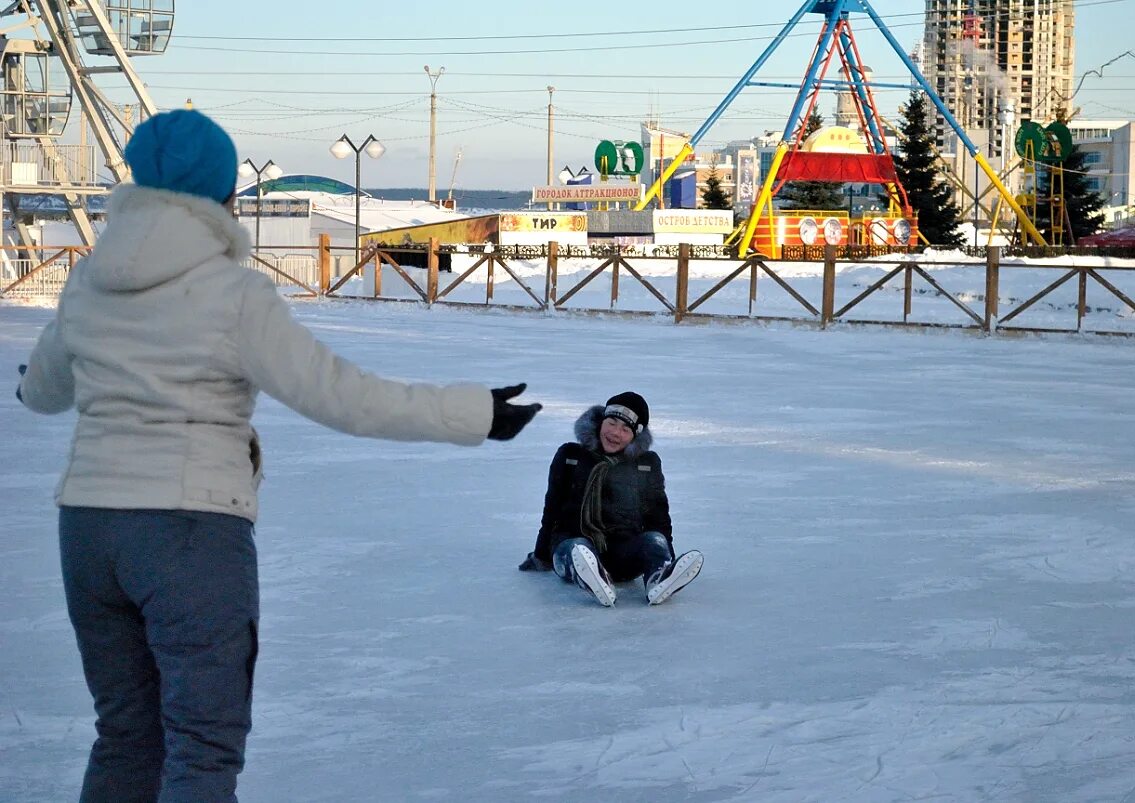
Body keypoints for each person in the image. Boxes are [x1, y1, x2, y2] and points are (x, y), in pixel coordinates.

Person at [14, 109, 541, 803]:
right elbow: (341, 395)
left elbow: (42, 392)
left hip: (87, 530)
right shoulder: (234, 294)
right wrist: (473, 412)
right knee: (201, 750)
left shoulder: (88, 281)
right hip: (189, 532)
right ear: (225, 197)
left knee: (126, 734)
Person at [519, 391, 702, 606]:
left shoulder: (646, 464)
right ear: (599, 421)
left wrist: (663, 551)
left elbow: (658, 517)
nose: (615, 432)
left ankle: (659, 577)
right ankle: (592, 576)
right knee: (578, 549)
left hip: (624, 554)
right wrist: (541, 556)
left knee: (653, 539)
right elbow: (552, 510)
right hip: (573, 544)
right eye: (612, 422)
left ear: (636, 436)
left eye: (625, 429)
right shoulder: (571, 455)